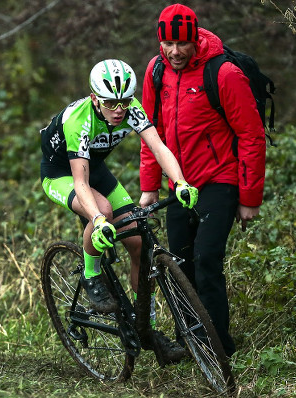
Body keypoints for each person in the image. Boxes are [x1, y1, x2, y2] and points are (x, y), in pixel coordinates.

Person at [40, 59, 198, 361]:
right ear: (94, 98)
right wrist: (98, 220)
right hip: (61, 173)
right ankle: (91, 275)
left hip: (94, 167)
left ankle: (145, 326)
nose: (119, 110)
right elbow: (80, 182)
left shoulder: (130, 108)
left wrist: (179, 182)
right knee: (103, 210)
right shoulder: (79, 121)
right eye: (111, 103)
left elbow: (159, 146)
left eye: (124, 101)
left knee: (139, 243)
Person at [139, 4, 267, 358]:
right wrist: (150, 186)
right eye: (168, 43)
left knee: (206, 260)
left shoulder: (224, 74)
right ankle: (190, 341)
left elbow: (251, 136)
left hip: (219, 181)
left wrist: (250, 198)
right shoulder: (155, 71)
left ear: (195, 39)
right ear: (160, 40)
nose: (175, 51)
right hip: (178, 186)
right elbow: (152, 134)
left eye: (182, 43)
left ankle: (220, 348)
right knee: (179, 265)